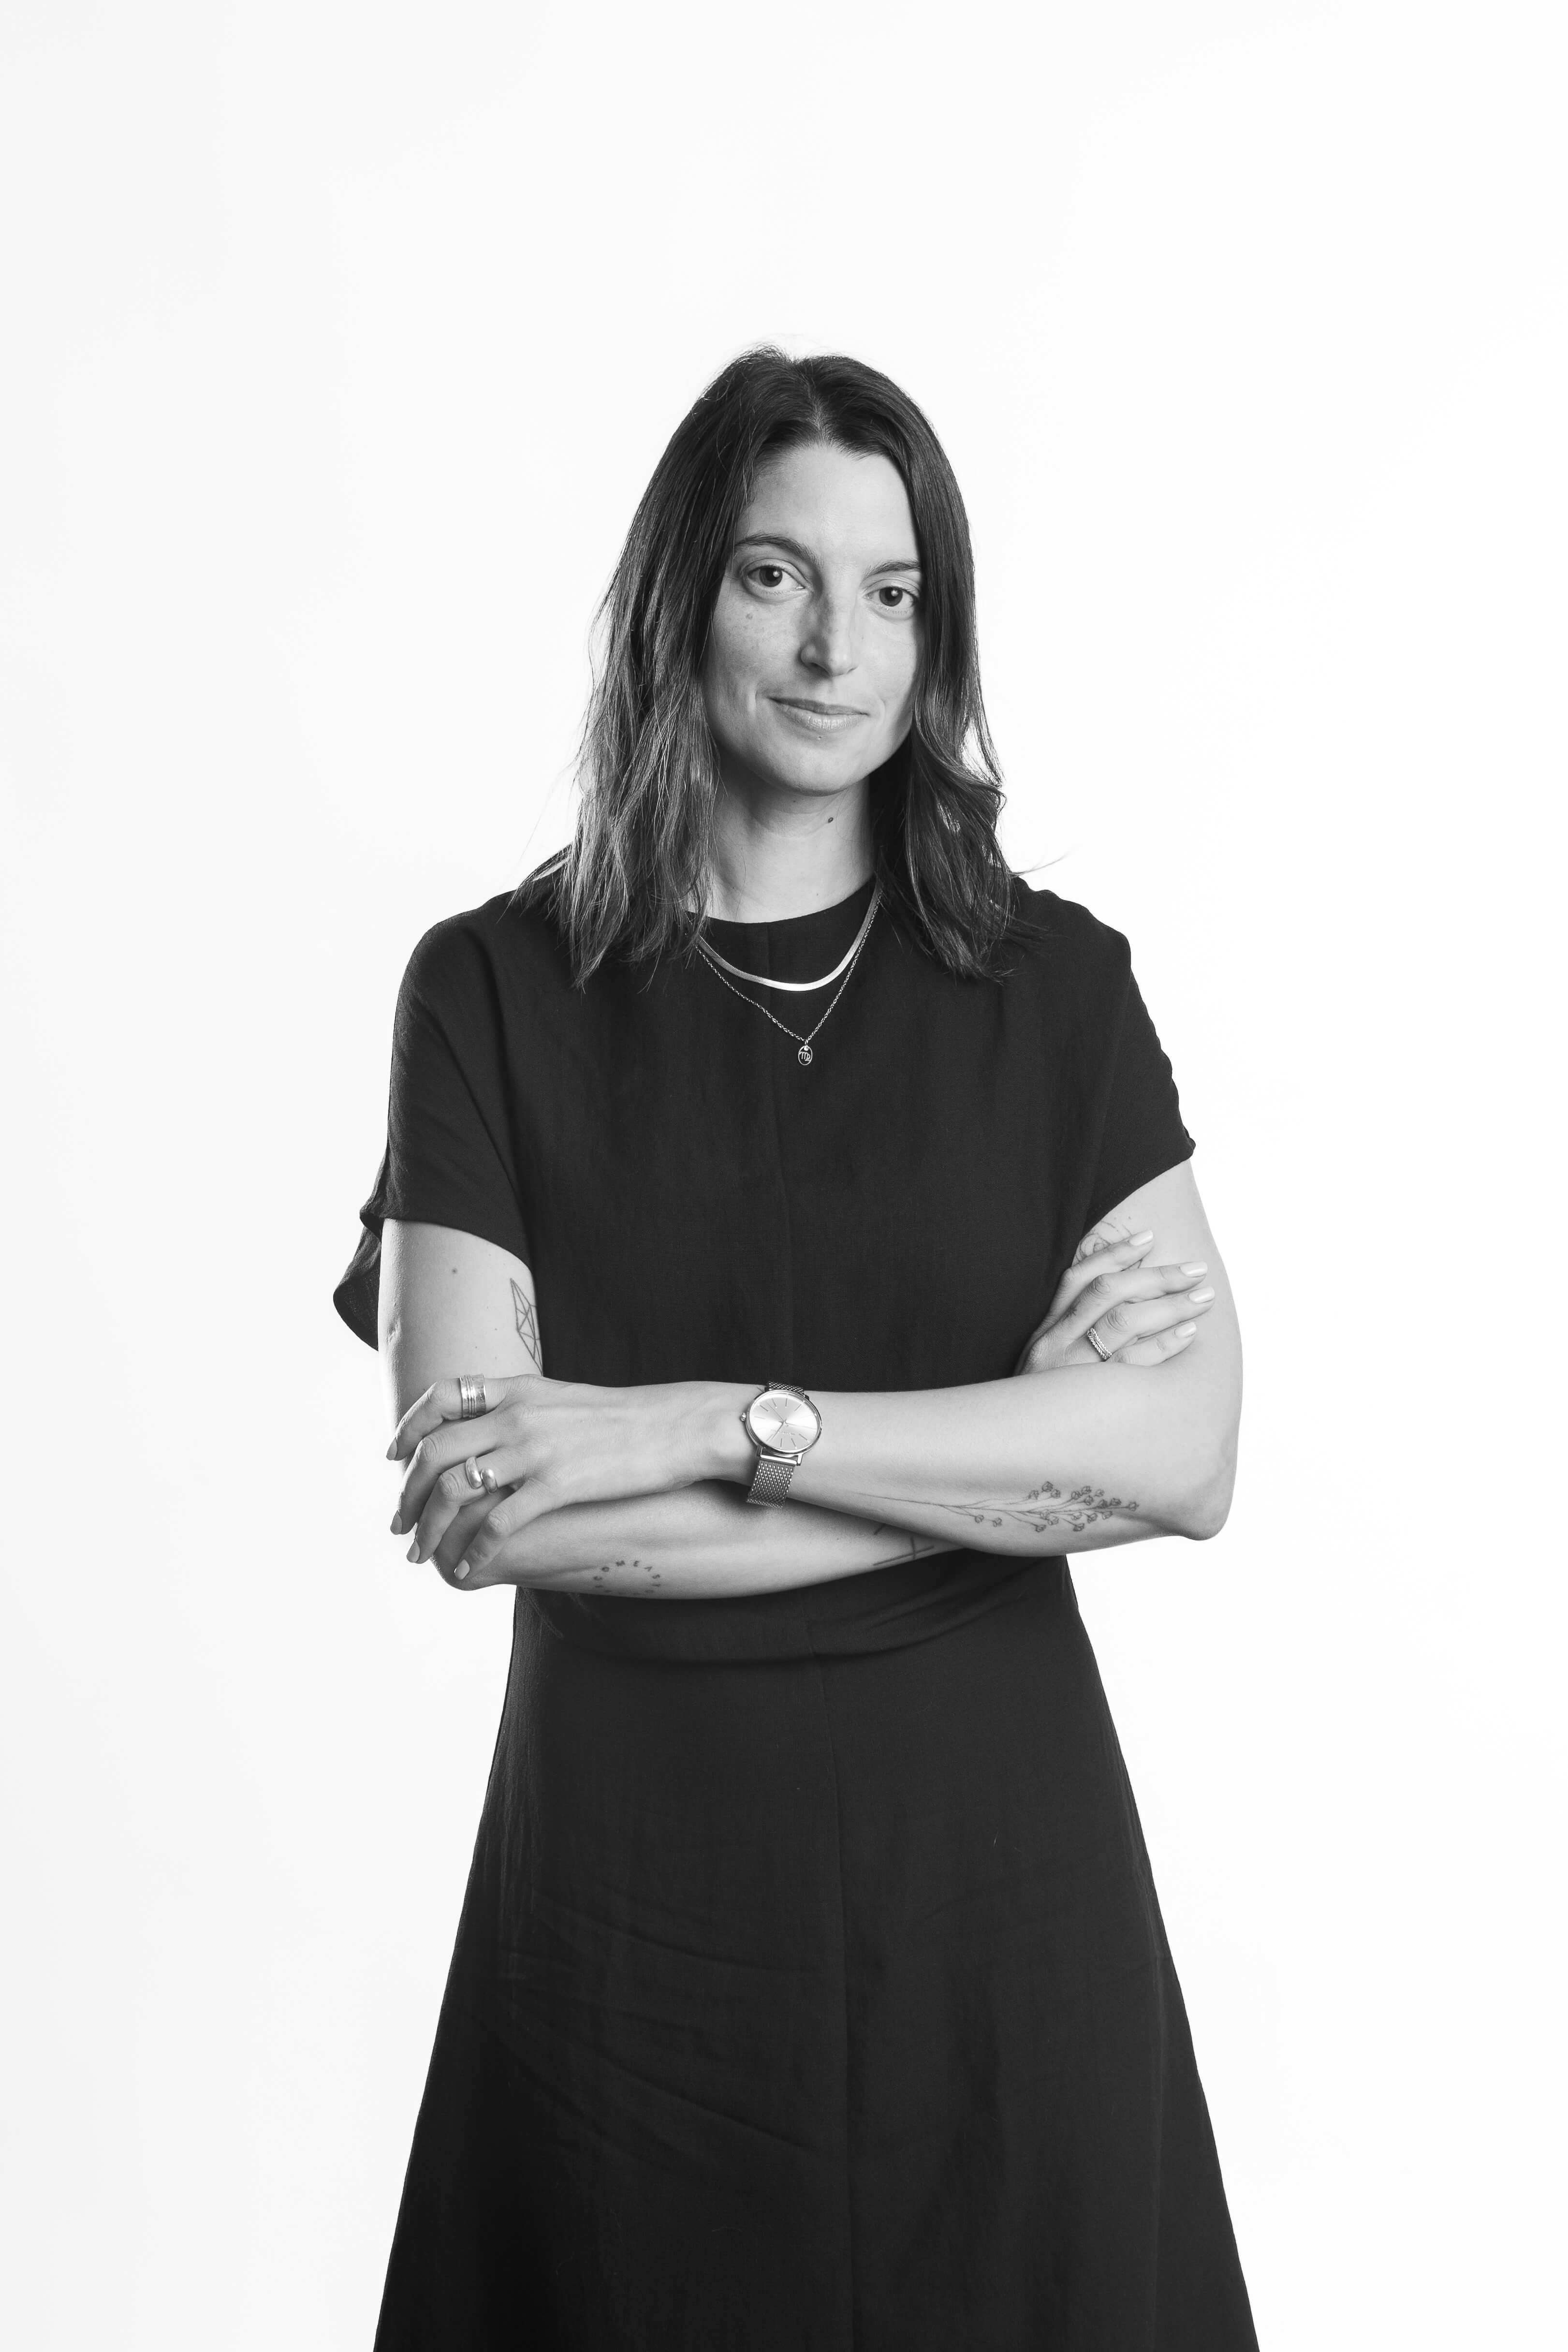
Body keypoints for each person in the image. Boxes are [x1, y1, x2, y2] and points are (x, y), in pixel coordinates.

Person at [336, 347, 1257, 2349]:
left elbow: (1183, 1460)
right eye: (776, 576)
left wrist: (707, 1424)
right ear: (680, 596)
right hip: (632, 1925)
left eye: (894, 591)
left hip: (1001, 1895)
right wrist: (1014, 1459)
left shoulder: (1057, 990)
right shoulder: (486, 991)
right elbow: (491, 1510)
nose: (841, 646)